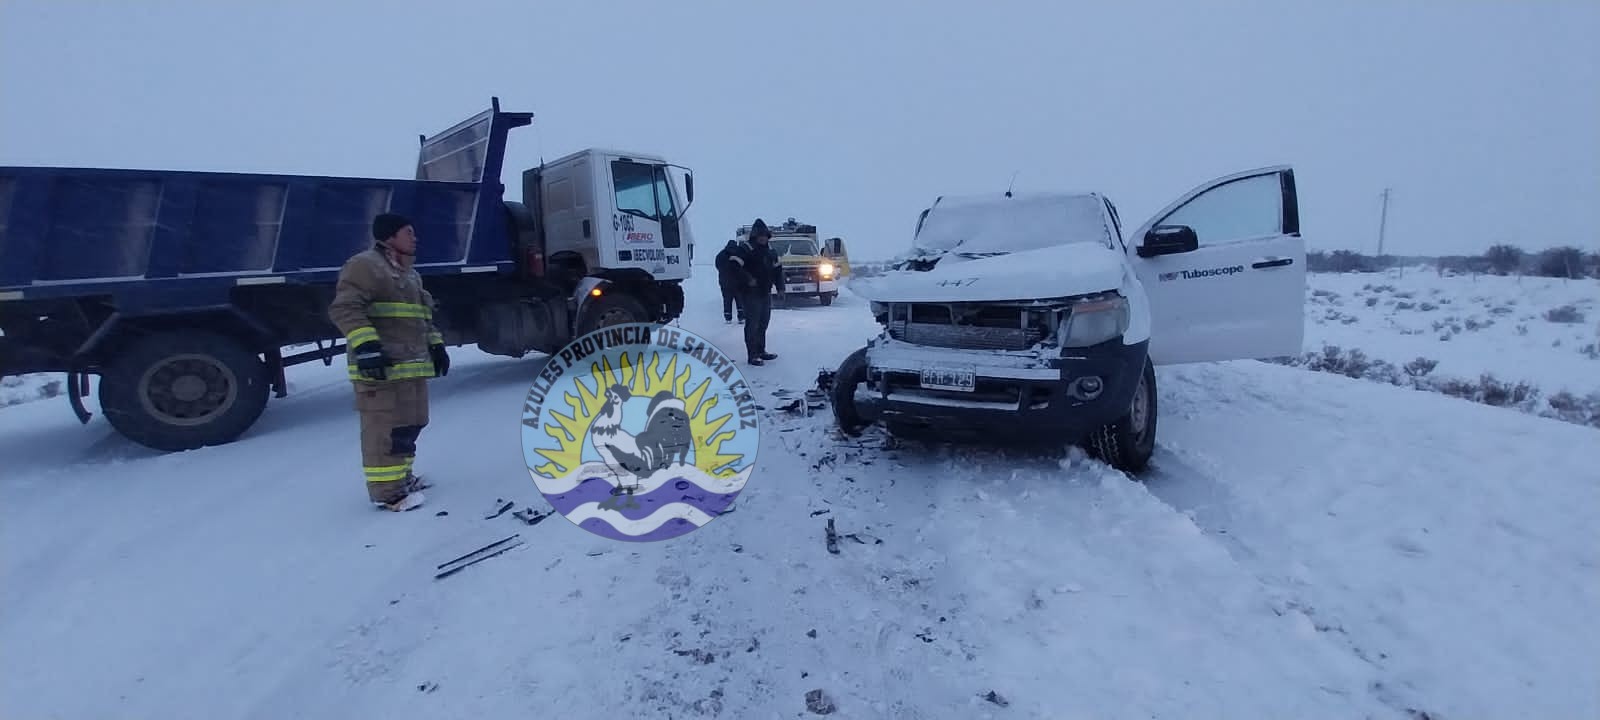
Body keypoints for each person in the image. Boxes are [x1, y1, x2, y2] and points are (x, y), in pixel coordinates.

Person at [328, 212, 451, 512]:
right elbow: (345, 309)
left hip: (410, 367)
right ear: (389, 237)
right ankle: (388, 493)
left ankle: (403, 479)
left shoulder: (411, 275)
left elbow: (423, 318)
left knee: (410, 425)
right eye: (408, 232)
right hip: (381, 370)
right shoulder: (364, 266)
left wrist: (436, 347)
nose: (415, 237)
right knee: (384, 428)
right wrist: (367, 346)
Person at [733, 218, 784, 365]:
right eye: (760, 235)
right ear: (755, 236)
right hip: (750, 293)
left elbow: (777, 271)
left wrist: (780, 288)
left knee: (763, 323)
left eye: (765, 235)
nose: (763, 238)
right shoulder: (745, 249)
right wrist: (747, 278)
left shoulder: (771, 252)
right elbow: (733, 266)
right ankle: (752, 355)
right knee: (752, 324)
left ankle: (761, 351)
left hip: (765, 292)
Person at [714, 239, 746, 323]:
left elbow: (718, 266)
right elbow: (744, 265)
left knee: (727, 300)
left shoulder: (721, 255)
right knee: (740, 300)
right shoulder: (739, 253)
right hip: (738, 282)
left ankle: (728, 318)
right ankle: (741, 317)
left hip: (725, 282)